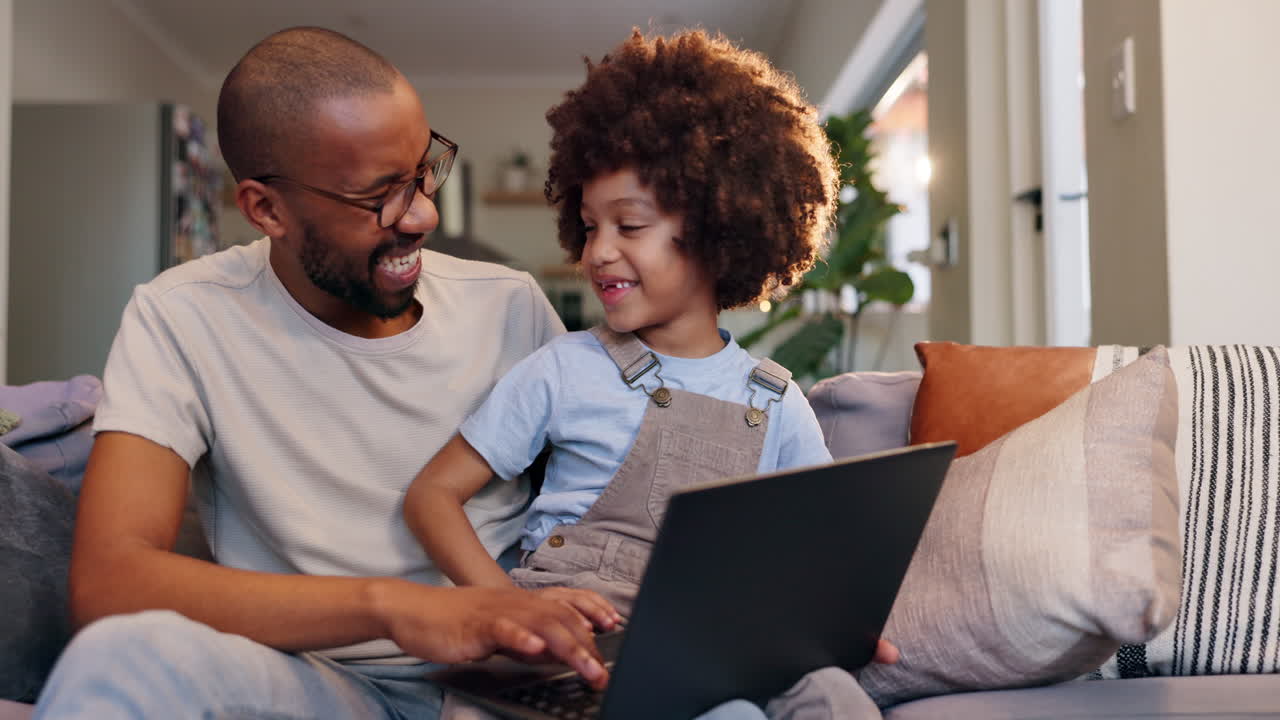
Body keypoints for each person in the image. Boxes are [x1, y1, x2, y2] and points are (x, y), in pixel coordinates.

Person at [33, 26, 612, 720]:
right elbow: (109, 585)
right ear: (266, 209)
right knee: (118, 658)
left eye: (422, 172)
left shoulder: (510, 305)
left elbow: (600, 501)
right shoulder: (181, 316)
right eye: (380, 196)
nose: (423, 214)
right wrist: (394, 608)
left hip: (501, 683)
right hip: (319, 685)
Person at [406, 29, 893, 720]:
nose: (597, 252)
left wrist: (840, 625)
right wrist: (507, 604)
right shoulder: (566, 368)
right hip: (573, 637)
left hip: (710, 643)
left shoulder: (778, 401)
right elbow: (432, 496)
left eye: (628, 226)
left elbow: (820, 554)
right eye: (589, 226)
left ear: (721, 230)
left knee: (830, 697)